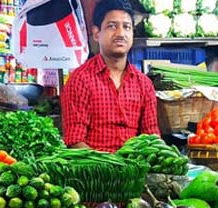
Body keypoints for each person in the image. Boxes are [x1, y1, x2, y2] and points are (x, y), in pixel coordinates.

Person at [61, 0, 159, 152]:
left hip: (134, 169)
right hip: (95, 171)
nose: (120, 33)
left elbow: (151, 136)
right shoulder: (80, 80)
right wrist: (110, 166)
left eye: (126, 27)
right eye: (112, 26)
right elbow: (75, 140)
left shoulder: (144, 84)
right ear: (96, 33)